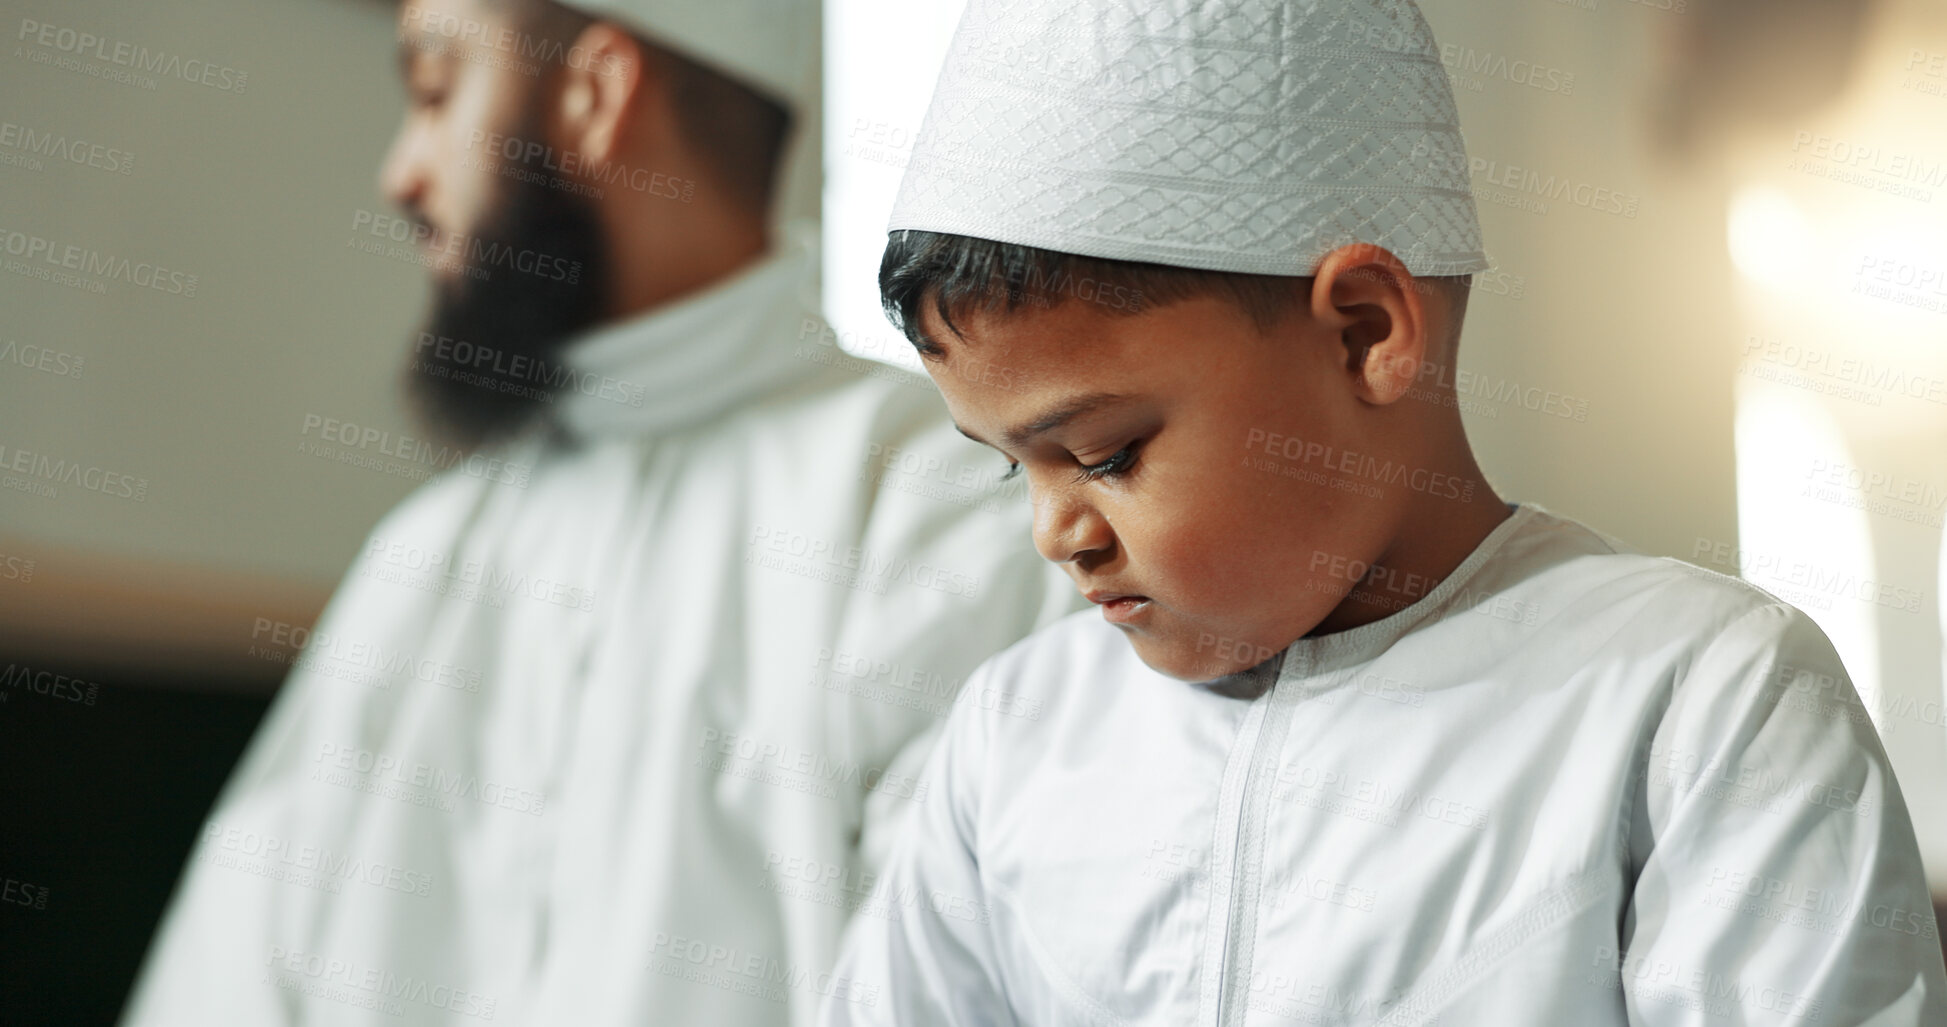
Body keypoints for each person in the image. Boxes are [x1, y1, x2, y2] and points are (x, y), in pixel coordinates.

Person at [820, 0, 1947, 1023]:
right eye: (1013, 467)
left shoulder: (1697, 702)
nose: (1057, 533)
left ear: (1366, 333)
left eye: (1108, 454)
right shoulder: (1016, 737)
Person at [121, 0, 1076, 1023]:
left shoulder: (939, 502)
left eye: (437, 93)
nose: (400, 172)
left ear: (594, 95)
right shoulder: (426, 556)